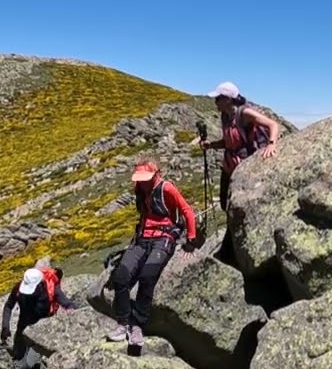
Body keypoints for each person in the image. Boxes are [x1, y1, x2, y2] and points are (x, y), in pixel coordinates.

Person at [105, 159, 198, 347]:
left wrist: (191, 239)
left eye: (145, 178)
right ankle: (123, 322)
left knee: (148, 275)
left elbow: (187, 211)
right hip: (142, 238)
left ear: (155, 174)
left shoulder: (167, 188)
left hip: (164, 238)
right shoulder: (141, 189)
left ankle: (137, 324)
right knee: (121, 275)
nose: (142, 182)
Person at [198, 81, 282, 211]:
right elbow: (229, 142)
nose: (215, 101)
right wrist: (211, 145)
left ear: (228, 99)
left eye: (218, 98)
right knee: (225, 203)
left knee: (238, 206)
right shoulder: (225, 116)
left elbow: (273, 125)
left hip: (243, 166)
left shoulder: (245, 113)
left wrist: (271, 144)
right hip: (229, 166)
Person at [1, 266, 78, 362]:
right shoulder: (18, 289)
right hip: (24, 327)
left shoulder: (51, 289)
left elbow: (68, 304)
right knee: (19, 360)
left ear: (40, 284)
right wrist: (5, 327)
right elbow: (8, 306)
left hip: (44, 329)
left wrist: (71, 312)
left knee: (30, 363)